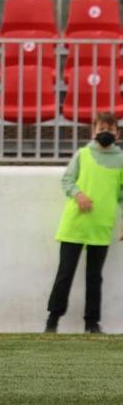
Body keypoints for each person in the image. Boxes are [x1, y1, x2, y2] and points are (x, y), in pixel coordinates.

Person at [45, 113, 121, 335]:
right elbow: (67, 180)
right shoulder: (82, 154)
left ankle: (92, 323)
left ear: (117, 133)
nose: (105, 131)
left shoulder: (121, 160)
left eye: (110, 128)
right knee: (65, 273)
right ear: (93, 131)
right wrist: (78, 195)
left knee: (94, 277)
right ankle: (53, 320)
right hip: (75, 226)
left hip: (101, 227)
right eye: (101, 127)